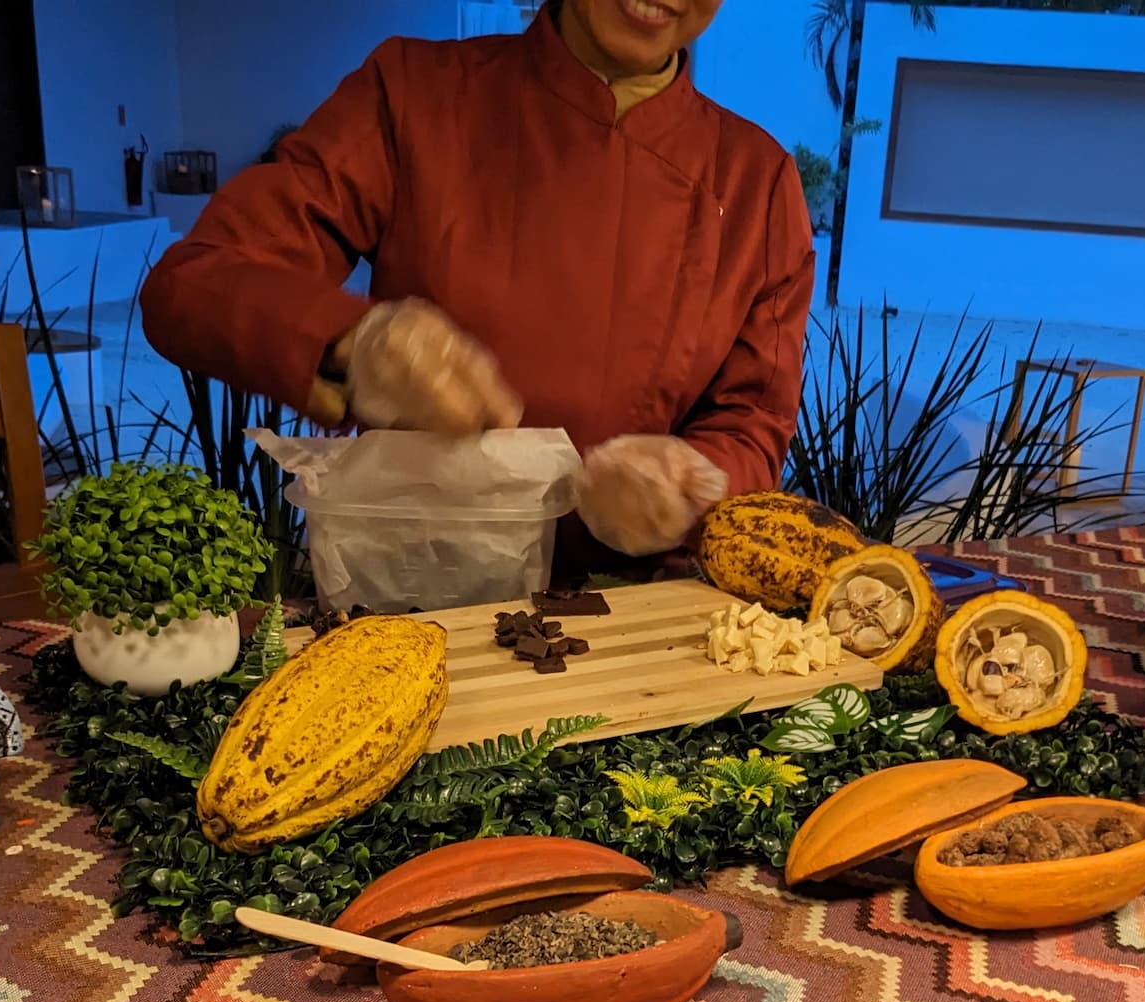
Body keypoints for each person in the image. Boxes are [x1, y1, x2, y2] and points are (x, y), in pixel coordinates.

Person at [140, 0, 814, 581]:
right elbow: (194, 284)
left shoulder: (755, 183)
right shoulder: (414, 94)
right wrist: (354, 345)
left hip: (639, 622)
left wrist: (688, 480)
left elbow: (753, 422)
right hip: (412, 589)